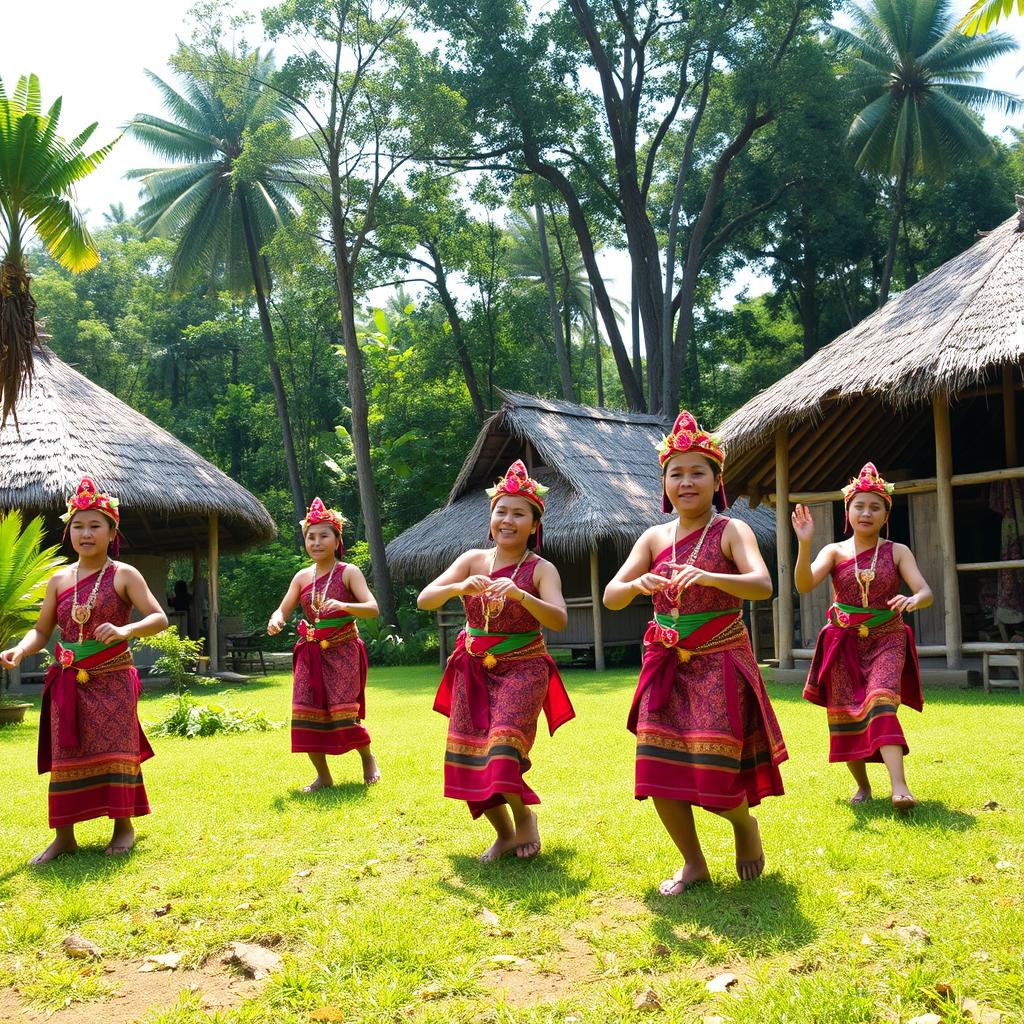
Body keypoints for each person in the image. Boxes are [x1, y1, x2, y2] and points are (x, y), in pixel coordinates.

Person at [604, 412, 788, 895]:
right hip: (664, 662)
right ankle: (693, 864)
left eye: (697, 472)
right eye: (676, 473)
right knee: (657, 767)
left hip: (718, 660)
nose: (686, 482)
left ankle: (744, 826)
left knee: (713, 771)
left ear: (716, 480)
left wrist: (709, 577)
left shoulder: (731, 530)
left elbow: (762, 584)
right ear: (664, 482)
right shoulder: (653, 538)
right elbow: (611, 595)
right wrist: (635, 583)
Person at [1, 477, 168, 863]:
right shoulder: (58, 579)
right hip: (67, 681)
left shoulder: (125, 574)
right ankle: (65, 835)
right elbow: (42, 630)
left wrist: (126, 629)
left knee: (116, 748)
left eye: (95, 525)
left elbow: (158, 618)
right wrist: (21, 649)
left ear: (112, 532)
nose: (86, 533)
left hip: (112, 676)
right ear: (68, 531)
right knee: (66, 751)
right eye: (78, 525)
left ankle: (123, 827)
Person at [417, 460, 574, 861]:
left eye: (519, 513)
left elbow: (558, 618)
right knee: (471, 757)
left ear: (534, 525)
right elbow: (425, 599)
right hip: (473, 669)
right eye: (501, 511)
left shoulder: (542, 569)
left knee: (503, 748)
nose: (508, 520)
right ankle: (504, 834)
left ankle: (525, 820)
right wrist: (458, 586)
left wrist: (522, 595)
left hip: (524, 668)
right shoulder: (471, 560)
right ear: (490, 519)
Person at [792, 462, 931, 810]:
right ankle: (863, 787)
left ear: (886, 514)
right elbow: (804, 584)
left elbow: (925, 591)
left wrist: (913, 599)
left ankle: (900, 788)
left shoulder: (897, 551)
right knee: (846, 711)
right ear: (848, 511)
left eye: (875, 507)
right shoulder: (833, 551)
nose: (866, 513)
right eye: (859, 506)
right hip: (843, 640)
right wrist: (805, 545)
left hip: (887, 636)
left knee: (882, 700)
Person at [268, 498, 380, 790]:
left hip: (343, 650)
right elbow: (283, 608)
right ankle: (323, 775)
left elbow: (372, 608)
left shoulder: (348, 572)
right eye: (310, 536)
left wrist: (344, 604)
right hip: (310, 653)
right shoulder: (302, 576)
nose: (316, 542)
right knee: (305, 714)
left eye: (323, 536)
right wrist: (276, 619)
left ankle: (367, 757)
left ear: (337, 539)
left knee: (344, 714)